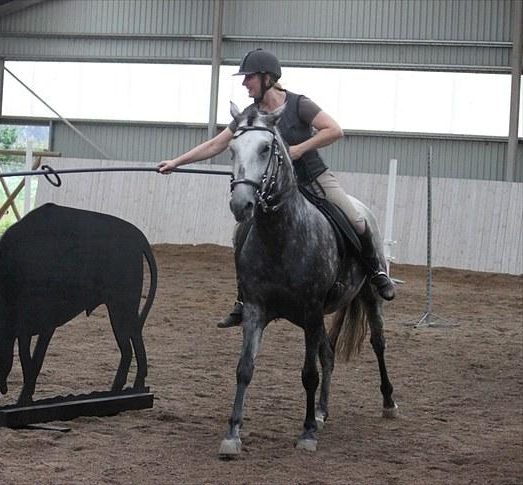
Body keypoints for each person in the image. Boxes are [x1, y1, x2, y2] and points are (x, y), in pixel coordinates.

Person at [158, 48, 395, 328]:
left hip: (313, 177)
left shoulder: (299, 105)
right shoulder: (250, 114)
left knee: (355, 219)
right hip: (275, 190)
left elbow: (334, 130)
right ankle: (243, 299)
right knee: (242, 233)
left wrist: (298, 150)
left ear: (267, 78)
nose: (245, 83)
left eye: (249, 78)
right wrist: (177, 162)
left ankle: (376, 272)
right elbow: (216, 144)